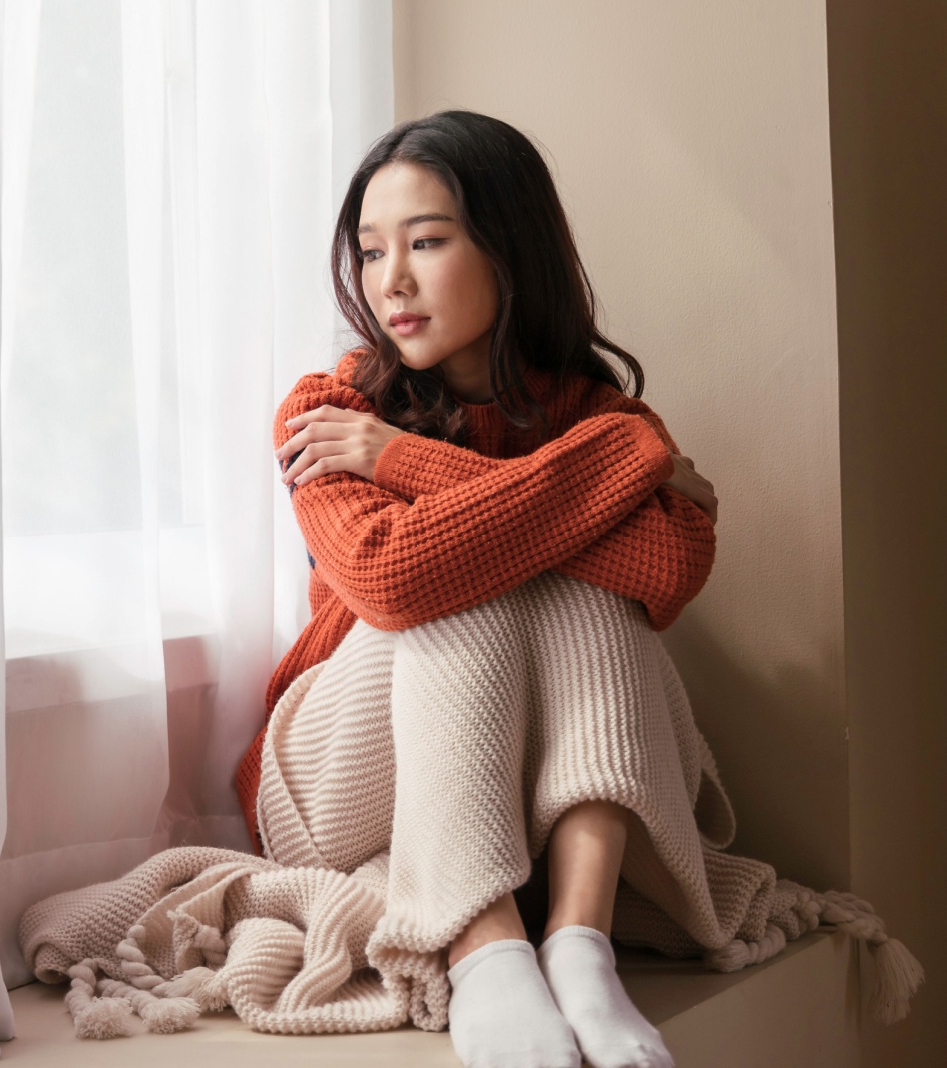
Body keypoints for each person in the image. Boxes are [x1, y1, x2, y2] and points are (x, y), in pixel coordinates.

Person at [250, 111, 719, 1068]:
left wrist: (408, 464)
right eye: (372, 251)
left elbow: (668, 571)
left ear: (510, 248)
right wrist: (623, 468)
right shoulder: (329, 410)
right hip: (334, 774)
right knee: (465, 587)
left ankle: (577, 945)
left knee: (593, 595)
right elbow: (392, 576)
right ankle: (483, 947)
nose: (393, 282)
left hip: (515, 775)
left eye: (426, 242)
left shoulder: (593, 414)